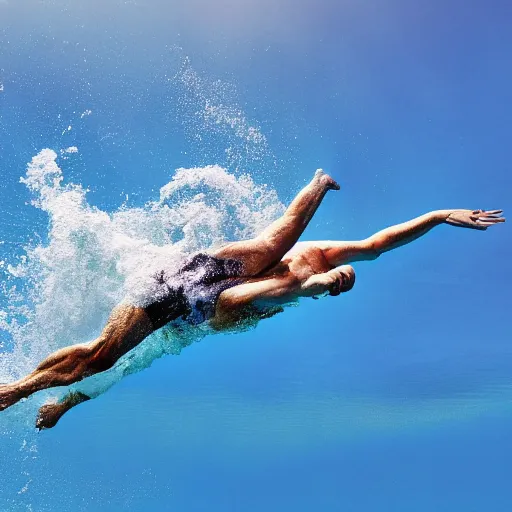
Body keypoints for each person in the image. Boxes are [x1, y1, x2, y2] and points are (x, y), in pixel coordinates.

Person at [0, 170, 504, 429]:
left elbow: (363, 254)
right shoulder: (319, 250)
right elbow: (380, 242)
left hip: (207, 311)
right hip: (189, 279)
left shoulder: (306, 278)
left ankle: (62, 402)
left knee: (121, 366)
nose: (344, 271)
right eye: (341, 276)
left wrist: (317, 286)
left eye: (341, 281)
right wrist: (437, 215)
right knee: (100, 355)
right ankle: (21, 387)